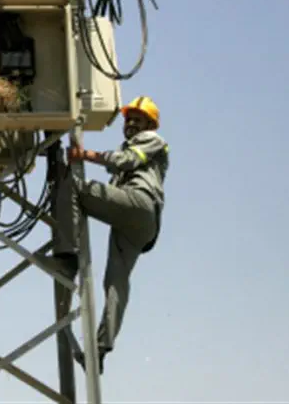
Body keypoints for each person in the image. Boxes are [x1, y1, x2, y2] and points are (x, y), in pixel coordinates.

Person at [57, 95, 169, 374]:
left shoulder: (152, 140)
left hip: (138, 204)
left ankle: (68, 254)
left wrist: (84, 155)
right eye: (129, 120)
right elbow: (117, 165)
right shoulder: (136, 144)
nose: (131, 124)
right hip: (138, 223)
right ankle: (101, 348)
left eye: (138, 120)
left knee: (73, 186)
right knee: (116, 282)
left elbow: (125, 161)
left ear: (150, 125)